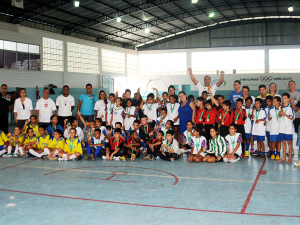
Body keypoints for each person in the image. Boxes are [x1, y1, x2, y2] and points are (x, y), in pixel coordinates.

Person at [277, 93, 295, 163]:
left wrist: (284, 114)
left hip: (288, 128)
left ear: (288, 99)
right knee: (283, 142)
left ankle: (290, 157)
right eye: (282, 98)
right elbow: (280, 116)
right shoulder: (281, 107)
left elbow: (293, 118)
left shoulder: (290, 108)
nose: (283, 99)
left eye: (285, 98)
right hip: (282, 128)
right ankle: (284, 157)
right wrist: (280, 113)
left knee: (289, 143)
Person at [288, 80, 300, 155]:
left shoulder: (299, 94)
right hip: (289, 117)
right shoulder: (286, 94)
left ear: (295, 85)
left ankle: (299, 149)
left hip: (298, 116)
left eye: (292, 84)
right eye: (289, 84)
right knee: (288, 133)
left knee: (298, 133)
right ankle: (290, 149)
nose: (290, 85)